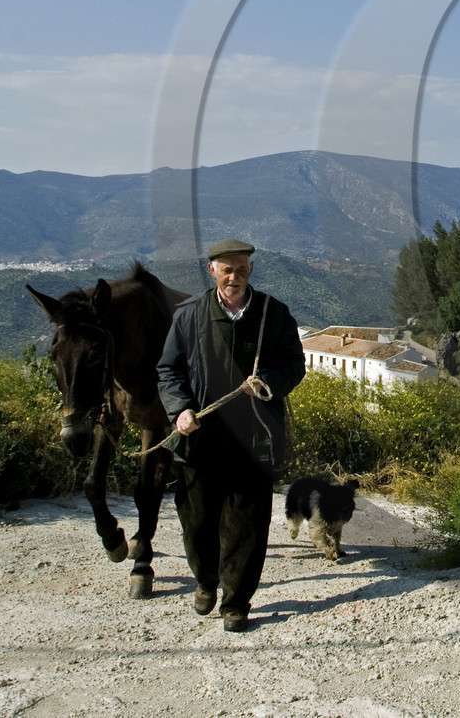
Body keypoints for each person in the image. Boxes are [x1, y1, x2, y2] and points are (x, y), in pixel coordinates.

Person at [156, 238, 305, 632]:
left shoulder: (274, 314)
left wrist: (269, 381)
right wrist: (180, 410)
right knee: (197, 521)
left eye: (241, 269)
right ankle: (206, 581)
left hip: (254, 440)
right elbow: (168, 371)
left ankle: (236, 602)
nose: (234, 277)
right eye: (227, 270)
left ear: (250, 270)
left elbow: (295, 363)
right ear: (212, 271)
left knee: (247, 525)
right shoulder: (188, 315)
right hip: (200, 441)